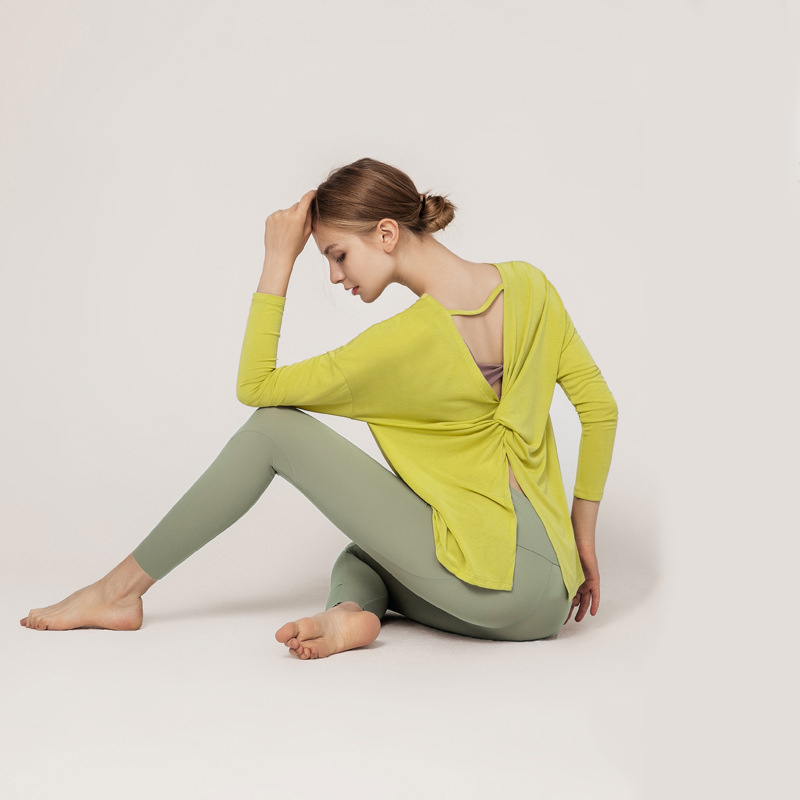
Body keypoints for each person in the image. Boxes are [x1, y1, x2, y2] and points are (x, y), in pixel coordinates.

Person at [20, 157, 618, 660]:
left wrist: (278, 259)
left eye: (337, 255)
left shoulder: (399, 346)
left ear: (387, 234)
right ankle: (352, 612)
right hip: (548, 599)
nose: (334, 276)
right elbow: (600, 411)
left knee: (273, 431)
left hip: (496, 586)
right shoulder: (530, 286)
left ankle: (120, 590)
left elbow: (256, 386)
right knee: (364, 554)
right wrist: (582, 545)